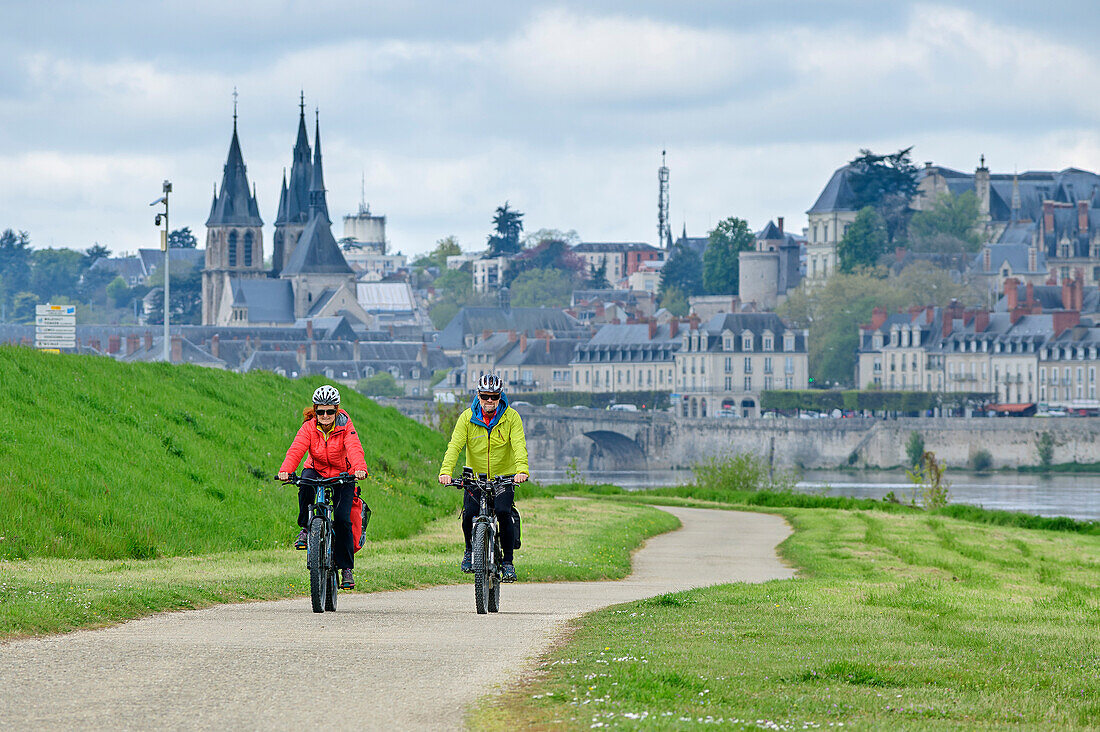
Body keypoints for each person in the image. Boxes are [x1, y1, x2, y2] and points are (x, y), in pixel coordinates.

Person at [438, 373, 528, 582]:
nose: (489, 401)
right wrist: (446, 472)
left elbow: (519, 446)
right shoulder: (467, 418)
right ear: (478, 395)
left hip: (503, 477)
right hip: (475, 477)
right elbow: (454, 446)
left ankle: (507, 562)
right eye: (485, 396)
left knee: (505, 513)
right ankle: (470, 551)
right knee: (469, 513)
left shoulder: (511, 417)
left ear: (500, 396)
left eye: (494, 397)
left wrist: (521, 470)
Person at [279, 385, 368, 589]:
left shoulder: (345, 426)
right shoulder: (309, 427)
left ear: (336, 410)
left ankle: (346, 568)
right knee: (304, 486)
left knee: (343, 519)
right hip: (316, 469)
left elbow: (354, 448)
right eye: (321, 411)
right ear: (315, 411)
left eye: (330, 411)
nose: (325, 416)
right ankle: (305, 528)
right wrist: (286, 470)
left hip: (343, 474)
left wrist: (359, 469)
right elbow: (296, 449)